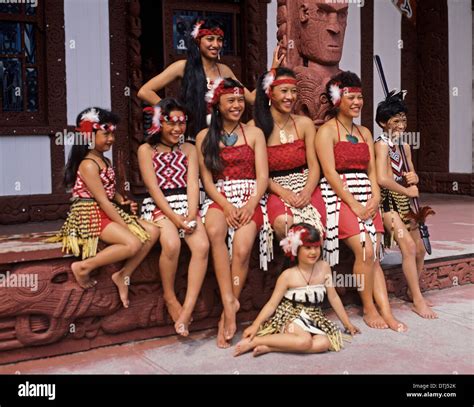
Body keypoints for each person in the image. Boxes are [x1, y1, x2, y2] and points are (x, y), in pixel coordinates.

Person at [315, 71, 407, 331]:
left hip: (368, 193)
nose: (357, 102)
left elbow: (372, 172)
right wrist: (353, 204)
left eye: (360, 97)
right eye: (351, 97)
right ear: (337, 99)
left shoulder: (365, 131)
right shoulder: (326, 132)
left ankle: (386, 312)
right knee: (365, 249)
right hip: (339, 195)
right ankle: (368, 308)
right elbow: (330, 173)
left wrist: (375, 197)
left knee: (375, 254)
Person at [48, 107, 158, 307]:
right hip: (90, 214)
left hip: (106, 209)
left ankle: (123, 275)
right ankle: (83, 267)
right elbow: (101, 200)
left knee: (152, 231)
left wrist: (121, 200)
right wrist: (124, 225)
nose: (111, 139)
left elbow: (108, 192)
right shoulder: (88, 164)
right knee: (132, 243)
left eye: (112, 134)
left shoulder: (103, 159)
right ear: (89, 135)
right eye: (105, 134)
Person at [195, 77, 272, 348]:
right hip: (220, 196)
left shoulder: (254, 133)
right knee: (215, 230)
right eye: (231, 100)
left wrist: (251, 204)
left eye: (240, 100)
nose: (238, 105)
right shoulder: (204, 137)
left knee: (241, 249)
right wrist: (226, 205)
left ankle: (227, 314)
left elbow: (263, 176)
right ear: (217, 104)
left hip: (251, 196)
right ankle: (230, 304)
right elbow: (206, 180)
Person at [138, 18, 284, 141]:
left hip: (219, 139)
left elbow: (252, 98)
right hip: (192, 138)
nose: (215, 44)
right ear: (198, 41)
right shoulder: (182, 67)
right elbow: (145, 91)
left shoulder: (224, 70)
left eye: (219, 40)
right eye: (210, 39)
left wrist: (273, 70)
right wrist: (176, 113)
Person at [138, 98, 210, 336]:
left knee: (201, 245)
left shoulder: (189, 148)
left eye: (182, 123)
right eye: (171, 123)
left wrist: (190, 214)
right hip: (159, 206)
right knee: (171, 243)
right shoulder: (146, 150)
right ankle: (170, 297)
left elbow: (192, 184)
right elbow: (153, 188)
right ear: (159, 123)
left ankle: (187, 308)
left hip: (186, 205)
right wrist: (173, 218)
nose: (178, 129)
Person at [234, 223, 359, 357]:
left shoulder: (324, 268)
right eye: (308, 247)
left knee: (324, 343)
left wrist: (347, 324)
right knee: (304, 341)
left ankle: (271, 347)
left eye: (316, 247)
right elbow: (272, 304)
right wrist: (256, 325)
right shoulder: (287, 276)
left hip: (313, 316)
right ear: (295, 249)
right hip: (290, 316)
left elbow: (333, 297)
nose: (313, 252)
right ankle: (255, 341)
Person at [374, 90, 437, 319]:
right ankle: (418, 300)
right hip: (388, 203)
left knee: (420, 249)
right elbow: (382, 179)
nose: (401, 125)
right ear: (383, 122)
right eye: (396, 120)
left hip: (406, 202)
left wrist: (415, 179)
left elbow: (410, 172)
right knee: (408, 247)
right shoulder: (380, 146)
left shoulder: (405, 146)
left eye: (404, 120)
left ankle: (412, 290)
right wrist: (407, 189)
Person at [251, 67, 325, 240]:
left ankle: (313, 266)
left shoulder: (305, 124)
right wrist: (284, 193)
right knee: (284, 224)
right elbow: (257, 173)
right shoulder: (255, 127)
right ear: (270, 93)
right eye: (284, 91)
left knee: (315, 230)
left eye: (294, 91)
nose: (290, 97)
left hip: (306, 184)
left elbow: (314, 165)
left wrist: (307, 192)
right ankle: (293, 266)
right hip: (274, 188)